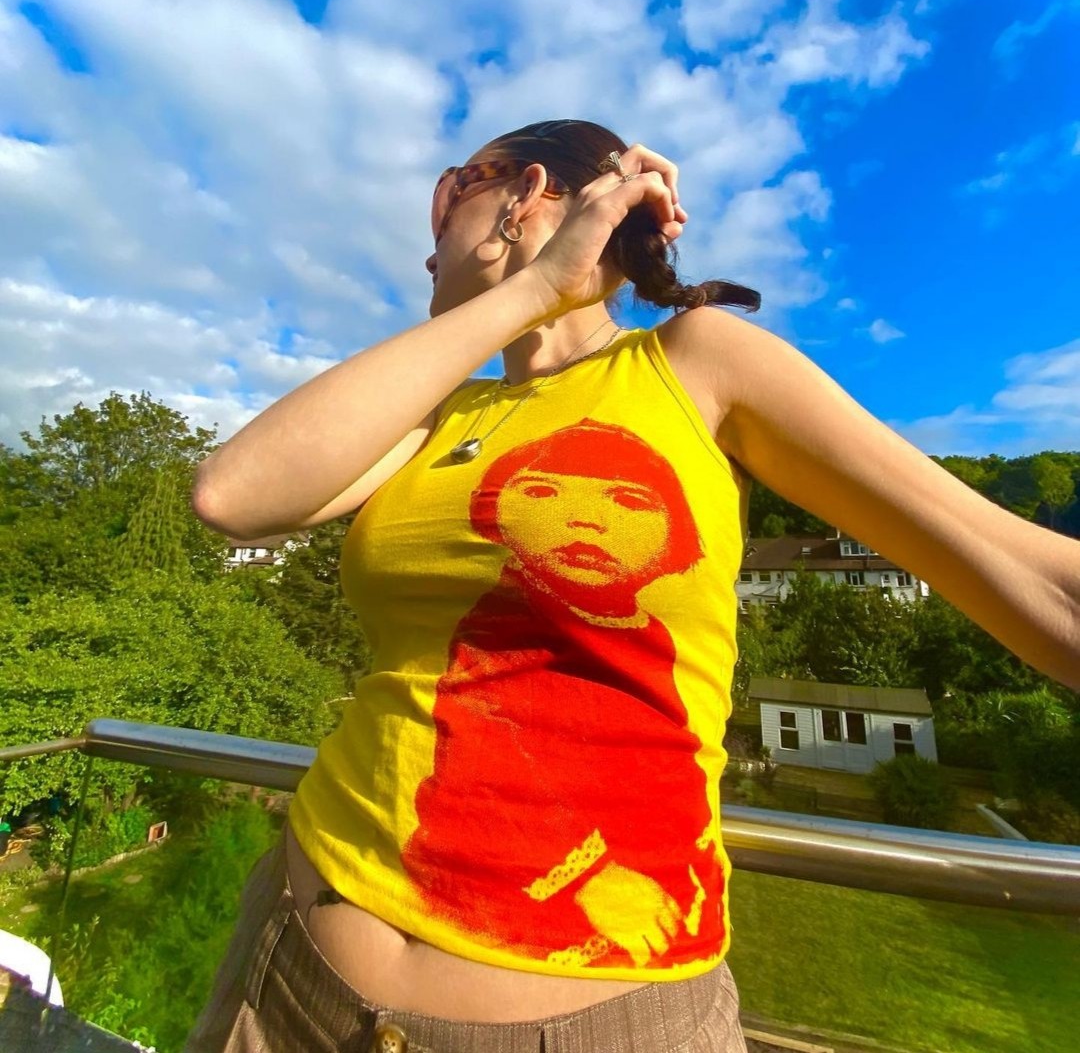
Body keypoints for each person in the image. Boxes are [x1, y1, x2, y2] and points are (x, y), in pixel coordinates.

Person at [186, 119, 1080, 1053]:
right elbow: (233, 497)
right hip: (288, 973)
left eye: (449, 194)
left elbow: (1040, 583)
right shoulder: (441, 413)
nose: (428, 247)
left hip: (601, 1022)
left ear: (523, 192)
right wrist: (533, 290)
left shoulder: (696, 362)